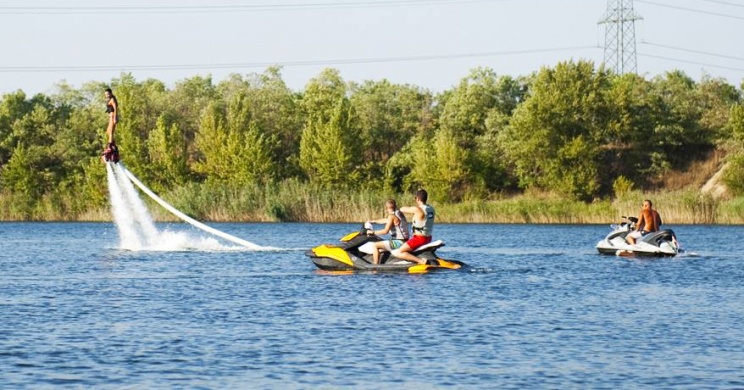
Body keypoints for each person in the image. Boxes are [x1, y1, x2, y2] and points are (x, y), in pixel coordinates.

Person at [391, 189, 435, 265]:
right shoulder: (431, 209)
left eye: (415, 198)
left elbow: (403, 209)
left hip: (419, 239)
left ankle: (421, 261)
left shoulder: (418, 209)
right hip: (428, 238)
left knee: (399, 252)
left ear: (417, 199)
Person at [365, 199, 410, 265]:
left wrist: (373, 232)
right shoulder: (399, 214)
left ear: (386, 208)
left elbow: (385, 231)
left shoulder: (391, 216)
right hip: (405, 240)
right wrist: (374, 221)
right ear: (395, 206)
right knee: (380, 249)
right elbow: (386, 220)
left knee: (375, 245)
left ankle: (375, 266)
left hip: (399, 242)